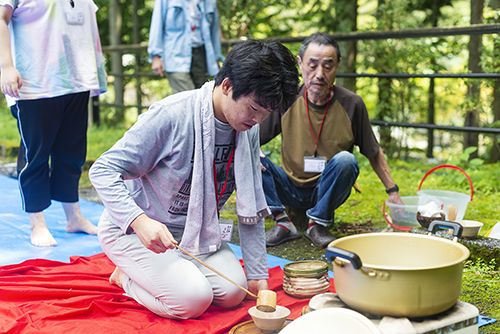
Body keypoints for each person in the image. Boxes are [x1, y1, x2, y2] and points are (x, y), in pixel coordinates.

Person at [89, 40, 299, 319]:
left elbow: (252, 204)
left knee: (233, 293)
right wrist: (138, 222)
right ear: (227, 86)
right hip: (137, 231)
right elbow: (102, 170)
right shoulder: (172, 115)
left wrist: (258, 273)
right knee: (193, 300)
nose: (258, 120)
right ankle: (127, 277)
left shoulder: (246, 128)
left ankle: (158, 274)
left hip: (196, 231)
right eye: (254, 108)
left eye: (267, 113)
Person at [259, 33, 403, 248]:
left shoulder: (352, 103)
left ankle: (317, 223)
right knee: (249, 154)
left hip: (326, 190)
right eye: (312, 65)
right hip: (289, 186)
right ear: (300, 64)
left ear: (337, 66)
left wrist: (393, 192)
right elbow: (249, 133)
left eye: (328, 66)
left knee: (346, 160)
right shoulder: (287, 99)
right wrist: (253, 150)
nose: (319, 74)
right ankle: (282, 222)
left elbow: (372, 151)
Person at [0, 0, 107, 247]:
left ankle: (74, 217)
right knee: (35, 155)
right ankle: (37, 223)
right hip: (33, 82)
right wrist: (5, 66)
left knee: (72, 153)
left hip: (76, 80)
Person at [147, 0, 225, 94]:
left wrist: (216, 57)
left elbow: (214, 30)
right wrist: (155, 56)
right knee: (189, 98)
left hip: (201, 54)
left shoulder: (209, 2)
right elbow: (157, 23)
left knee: (201, 96)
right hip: (175, 55)